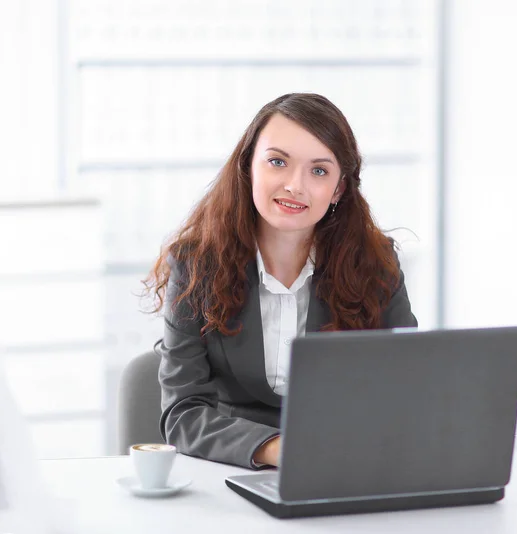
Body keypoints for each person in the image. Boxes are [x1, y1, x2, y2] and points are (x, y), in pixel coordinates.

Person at [144, 93, 417, 470]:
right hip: (230, 467)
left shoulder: (376, 264)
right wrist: (277, 449)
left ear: (338, 189)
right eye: (277, 162)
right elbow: (183, 413)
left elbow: (408, 389)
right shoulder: (196, 265)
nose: (294, 186)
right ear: (248, 167)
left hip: (344, 466)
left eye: (319, 171)